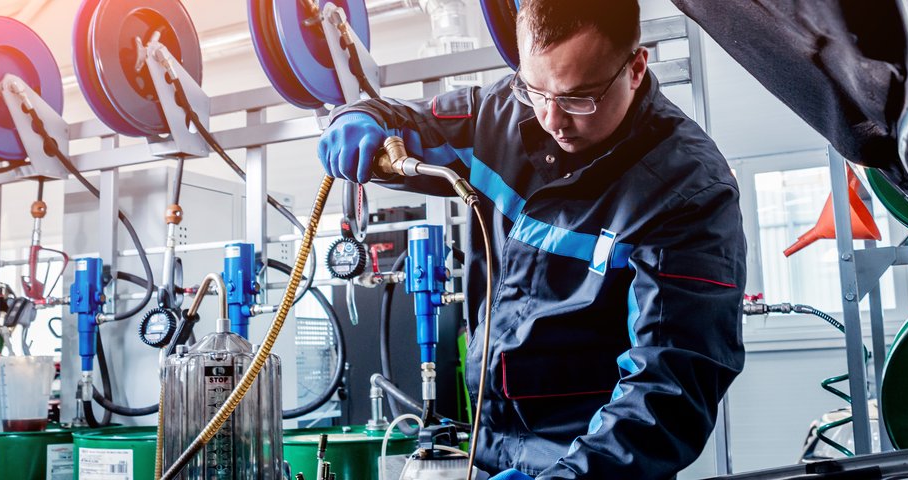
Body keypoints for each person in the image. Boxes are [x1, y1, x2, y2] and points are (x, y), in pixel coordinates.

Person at [316, 0, 746, 477]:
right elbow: (409, 123)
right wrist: (361, 117)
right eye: (536, 90)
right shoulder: (502, 111)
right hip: (489, 450)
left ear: (636, 67)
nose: (553, 119)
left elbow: (670, 386)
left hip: (596, 463)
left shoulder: (687, 191)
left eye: (579, 98)